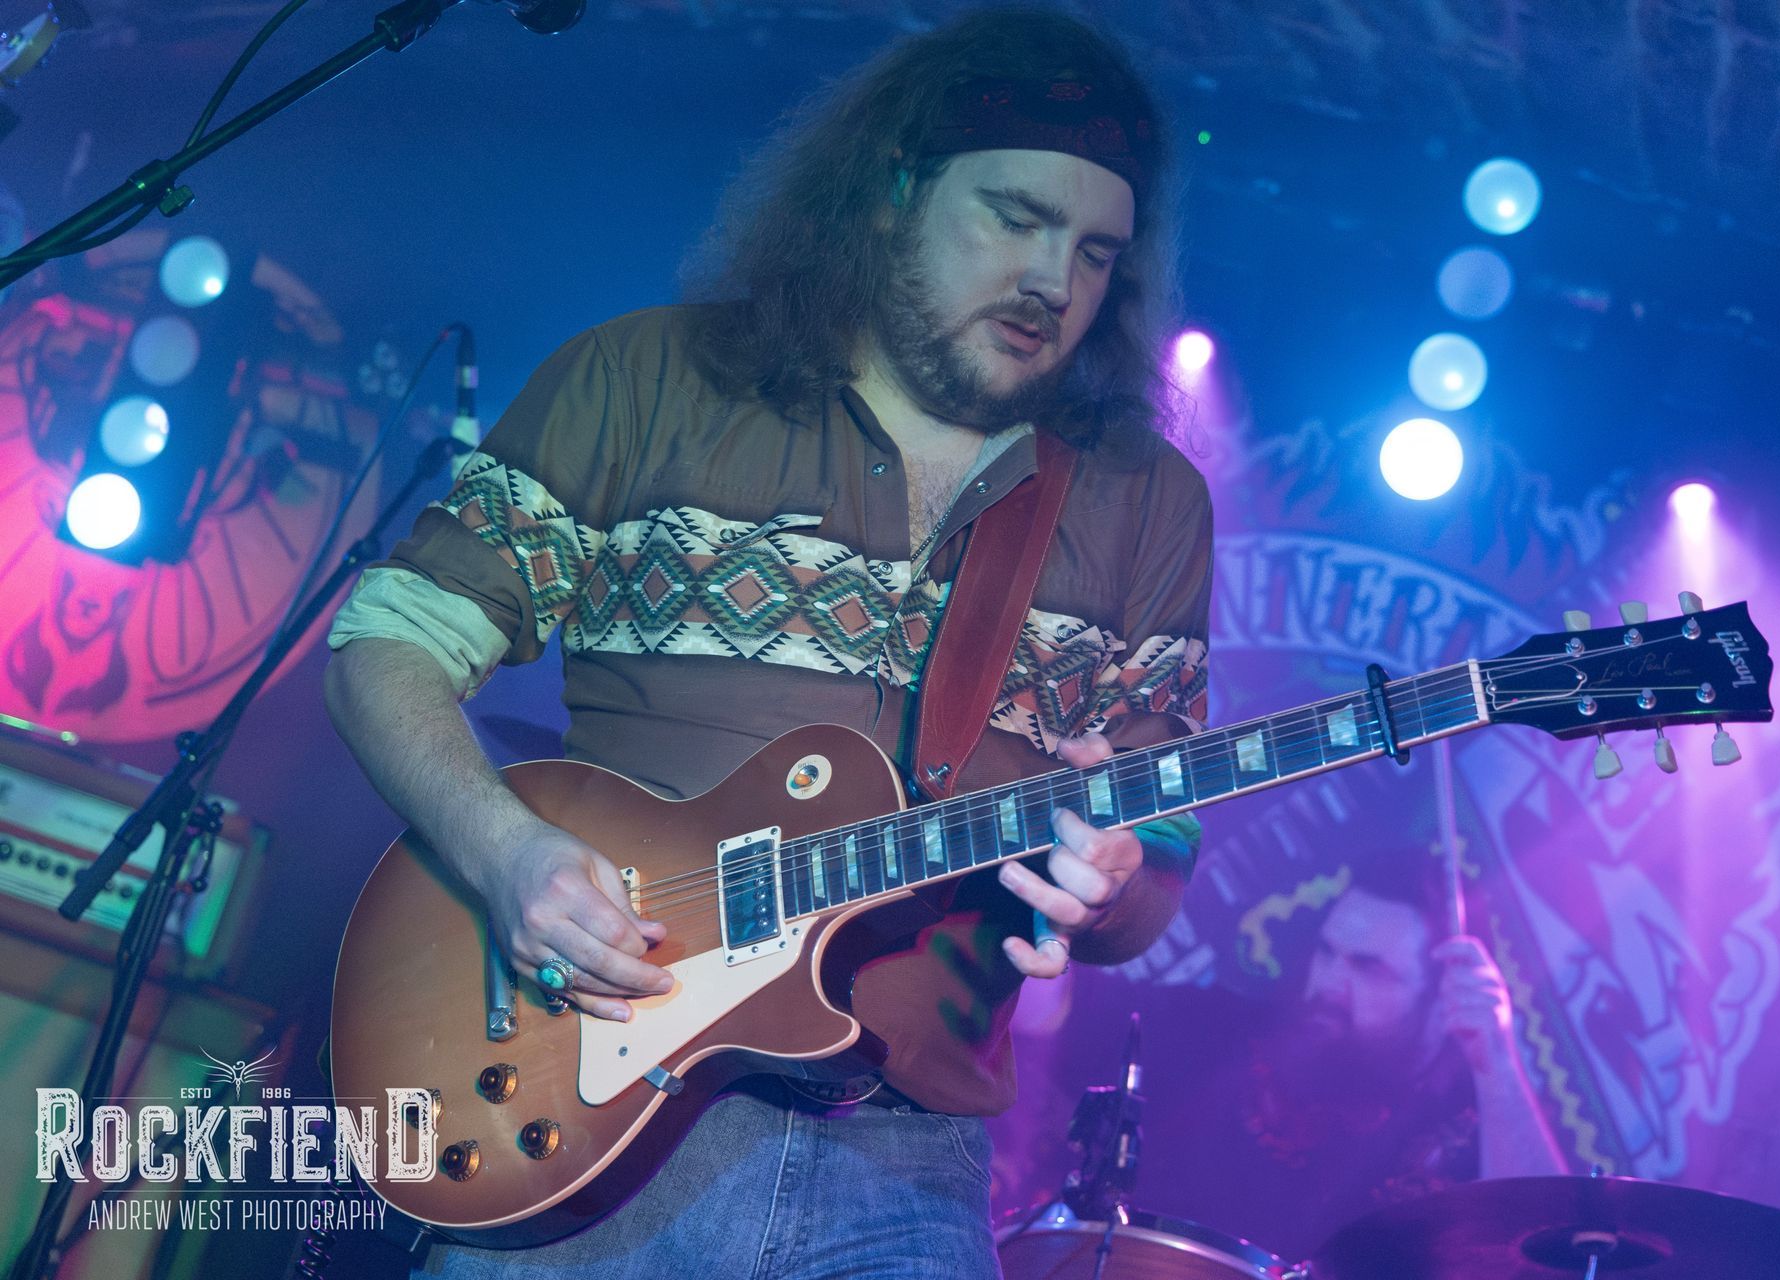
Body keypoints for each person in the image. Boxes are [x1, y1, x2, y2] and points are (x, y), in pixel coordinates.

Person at [322, 9, 1210, 1278]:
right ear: (894, 191)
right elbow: (386, 644)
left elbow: (1158, 837)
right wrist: (504, 851)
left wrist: (1119, 879)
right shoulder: (649, 379)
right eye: (1015, 218)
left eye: (1095, 253)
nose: (1052, 282)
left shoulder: (1148, 502)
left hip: (908, 1166)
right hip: (585, 1106)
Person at [1241, 853, 1567, 1259]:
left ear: (1442, 1003)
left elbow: (1549, 1256)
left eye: (1369, 969)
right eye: (1327, 952)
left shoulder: (1478, 1122)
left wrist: (1495, 1062)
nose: (1330, 983)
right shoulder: (1235, 1034)